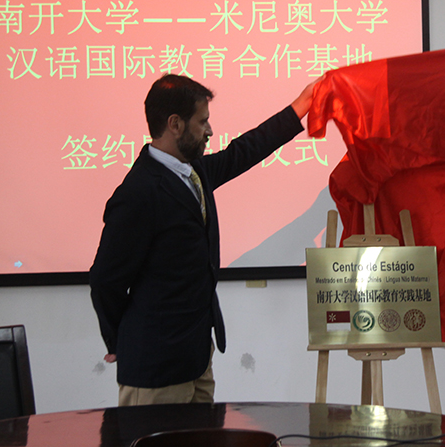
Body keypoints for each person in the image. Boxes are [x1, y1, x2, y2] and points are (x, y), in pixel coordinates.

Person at [89, 74, 315, 406]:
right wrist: (120, 341)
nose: (209, 130)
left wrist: (300, 107)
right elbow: (105, 280)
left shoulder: (192, 171)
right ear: (175, 124)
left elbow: (244, 151)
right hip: (156, 370)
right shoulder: (139, 192)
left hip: (195, 358)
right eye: (202, 121)